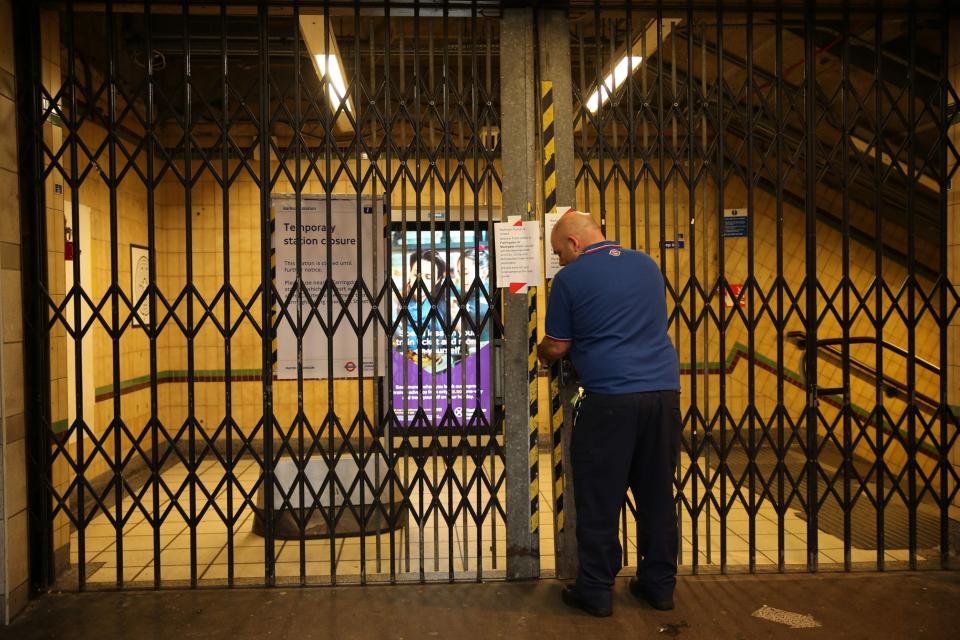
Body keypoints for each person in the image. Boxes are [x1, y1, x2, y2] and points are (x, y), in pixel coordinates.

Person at [537, 210, 681, 617]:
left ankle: (597, 591)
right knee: (656, 494)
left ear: (574, 244)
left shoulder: (570, 280)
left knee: (600, 499)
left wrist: (542, 354)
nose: (560, 261)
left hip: (610, 399)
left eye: (559, 252)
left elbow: (559, 345)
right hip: (663, 394)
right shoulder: (647, 265)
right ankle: (659, 587)